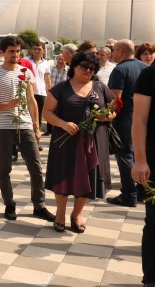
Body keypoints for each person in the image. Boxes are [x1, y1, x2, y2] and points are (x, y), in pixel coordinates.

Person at [0, 35, 55, 222]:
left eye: (18, 51)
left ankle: (39, 205)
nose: (15, 55)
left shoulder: (26, 72)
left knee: (36, 166)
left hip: (24, 125)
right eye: (11, 51)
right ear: (3, 52)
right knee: (4, 168)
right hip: (3, 126)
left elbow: (32, 100)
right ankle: (9, 204)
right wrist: (5, 105)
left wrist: (36, 126)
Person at [43, 52, 115, 233]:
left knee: (88, 177)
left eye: (92, 68)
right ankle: (60, 214)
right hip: (66, 140)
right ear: (74, 66)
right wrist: (63, 124)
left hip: (94, 140)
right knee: (63, 176)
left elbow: (114, 107)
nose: (88, 70)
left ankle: (77, 214)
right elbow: (47, 113)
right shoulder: (60, 88)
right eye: (84, 66)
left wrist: (107, 116)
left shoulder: (100, 87)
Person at [107, 39, 148, 207]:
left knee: (124, 155)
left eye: (114, 50)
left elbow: (115, 99)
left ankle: (129, 194)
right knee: (140, 154)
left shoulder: (120, 70)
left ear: (120, 51)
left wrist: (106, 116)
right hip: (144, 118)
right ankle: (142, 191)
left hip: (124, 118)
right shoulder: (145, 67)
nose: (112, 54)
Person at [131, 62, 155, 285]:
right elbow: (139, 119)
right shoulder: (149, 75)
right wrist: (140, 160)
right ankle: (152, 278)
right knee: (154, 222)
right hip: (154, 159)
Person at [27, 42, 52, 139]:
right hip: (28, 92)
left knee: (38, 116)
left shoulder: (46, 64)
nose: (36, 51)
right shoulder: (26, 60)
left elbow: (47, 80)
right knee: (27, 116)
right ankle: (26, 140)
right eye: (35, 49)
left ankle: (36, 140)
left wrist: (49, 94)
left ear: (43, 51)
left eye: (39, 49)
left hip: (41, 93)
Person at [47, 54, 69, 136]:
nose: (60, 61)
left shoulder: (68, 70)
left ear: (65, 60)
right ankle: (49, 130)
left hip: (62, 95)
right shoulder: (51, 69)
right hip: (51, 94)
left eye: (62, 59)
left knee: (59, 112)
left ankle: (57, 129)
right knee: (50, 111)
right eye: (59, 59)